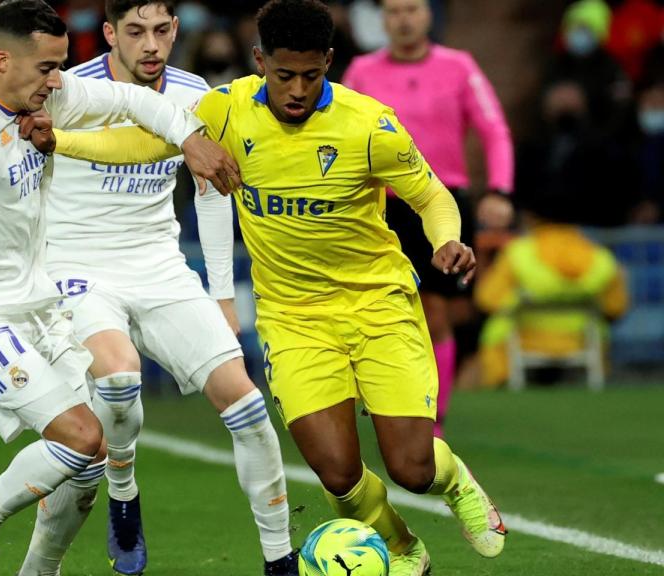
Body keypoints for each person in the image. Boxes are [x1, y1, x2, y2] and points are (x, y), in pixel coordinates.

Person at [50, 1, 507, 574]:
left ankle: (456, 481)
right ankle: (400, 546)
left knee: (411, 468)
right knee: (338, 473)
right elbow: (140, 144)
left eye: (311, 76)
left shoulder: (370, 125)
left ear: (329, 63)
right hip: (293, 317)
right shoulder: (225, 110)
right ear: (259, 60)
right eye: (283, 74)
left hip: (377, 305)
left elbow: (432, 195)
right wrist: (60, 143)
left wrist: (446, 239)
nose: (296, 89)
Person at [0, 1, 239, 574]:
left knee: (92, 455)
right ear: (2, 59)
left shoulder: (49, 97)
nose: (58, 81)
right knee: (79, 437)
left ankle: (38, 570)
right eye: (46, 68)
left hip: (38, 303)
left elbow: (130, 99)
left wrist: (189, 137)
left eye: (60, 67)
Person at [34, 1, 295, 575]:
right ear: (108, 34)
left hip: (160, 266)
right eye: (135, 31)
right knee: (121, 378)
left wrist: (223, 295)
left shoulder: (193, 91)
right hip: (78, 269)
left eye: (160, 30)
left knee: (249, 408)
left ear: (176, 29)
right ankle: (122, 482)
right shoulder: (68, 91)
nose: (150, 45)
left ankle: (281, 562)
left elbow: (212, 191)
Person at [341, 0, 515, 437]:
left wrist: (499, 189)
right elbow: (337, 132)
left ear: (428, 15)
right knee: (377, 307)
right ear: (382, 18)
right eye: (395, 11)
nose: (403, 19)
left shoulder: (458, 67)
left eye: (412, 9)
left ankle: (432, 420)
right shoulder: (362, 71)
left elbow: (494, 129)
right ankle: (387, 402)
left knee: (437, 312)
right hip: (381, 206)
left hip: (441, 204)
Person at [474, 192, 629, 388]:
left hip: (524, 341)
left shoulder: (518, 253)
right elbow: (616, 307)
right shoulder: (599, 256)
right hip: (581, 341)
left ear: (533, 218)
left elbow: (487, 299)